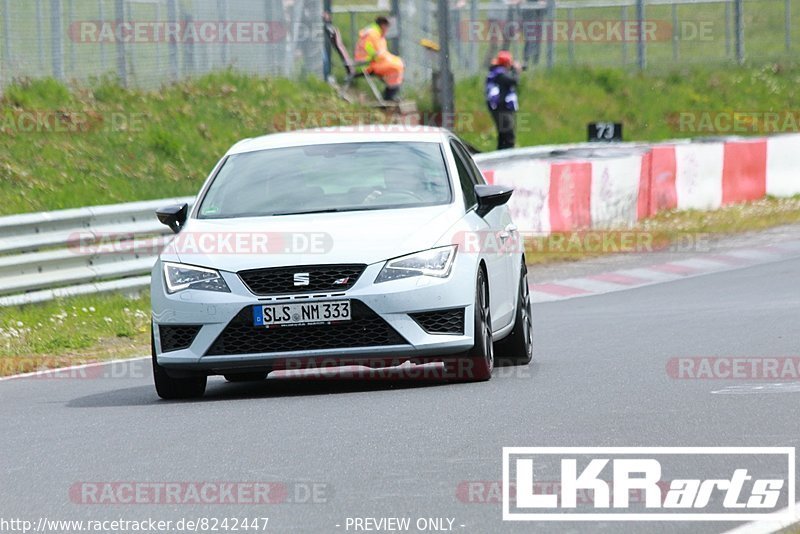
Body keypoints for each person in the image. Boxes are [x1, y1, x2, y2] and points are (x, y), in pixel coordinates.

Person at [354, 16, 405, 102]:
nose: (388, 29)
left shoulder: (376, 33)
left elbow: (381, 54)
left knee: (398, 63)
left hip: (370, 63)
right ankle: (389, 97)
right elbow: (377, 55)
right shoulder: (373, 34)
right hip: (366, 65)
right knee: (396, 67)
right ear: (383, 25)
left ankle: (389, 96)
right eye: (387, 26)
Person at [485, 50, 521, 150]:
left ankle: (501, 154)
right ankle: (508, 158)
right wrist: (516, 71)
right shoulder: (499, 74)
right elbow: (513, 81)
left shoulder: (496, 72)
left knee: (503, 136)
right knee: (508, 135)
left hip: (499, 107)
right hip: (502, 107)